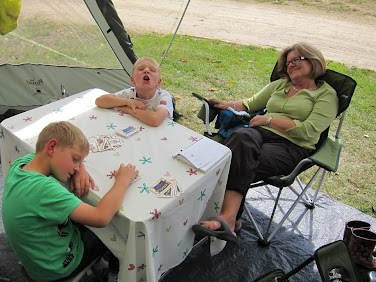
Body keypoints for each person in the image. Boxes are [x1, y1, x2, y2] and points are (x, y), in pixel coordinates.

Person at [192, 42, 338, 242]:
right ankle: (230, 219)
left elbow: (308, 131)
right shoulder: (281, 84)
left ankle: (225, 217)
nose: (291, 65)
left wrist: (269, 119)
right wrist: (226, 104)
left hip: (292, 145)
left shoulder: (326, 94)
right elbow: (250, 104)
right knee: (241, 138)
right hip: (258, 134)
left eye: (296, 59)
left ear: (313, 60)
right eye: (288, 63)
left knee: (230, 160)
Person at [1, 121, 139, 282]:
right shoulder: (44, 189)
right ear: (52, 147)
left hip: (36, 257)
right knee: (119, 228)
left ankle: (96, 263)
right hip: (58, 265)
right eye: (75, 159)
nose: (76, 168)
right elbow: (101, 218)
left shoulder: (22, 164)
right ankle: (115, 276)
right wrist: (123, 180)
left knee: (81, 214)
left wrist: (80, 168)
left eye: (79, 162)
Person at [95, 56, 173, 127]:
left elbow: (155, 120)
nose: (146, 70)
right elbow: (99, 101)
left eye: (152, 70)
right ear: (132, 80)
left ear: (158, 82)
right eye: (141, 69)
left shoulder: (163, 96)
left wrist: (128, 109)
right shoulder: (129, 93)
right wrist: (127, 102)